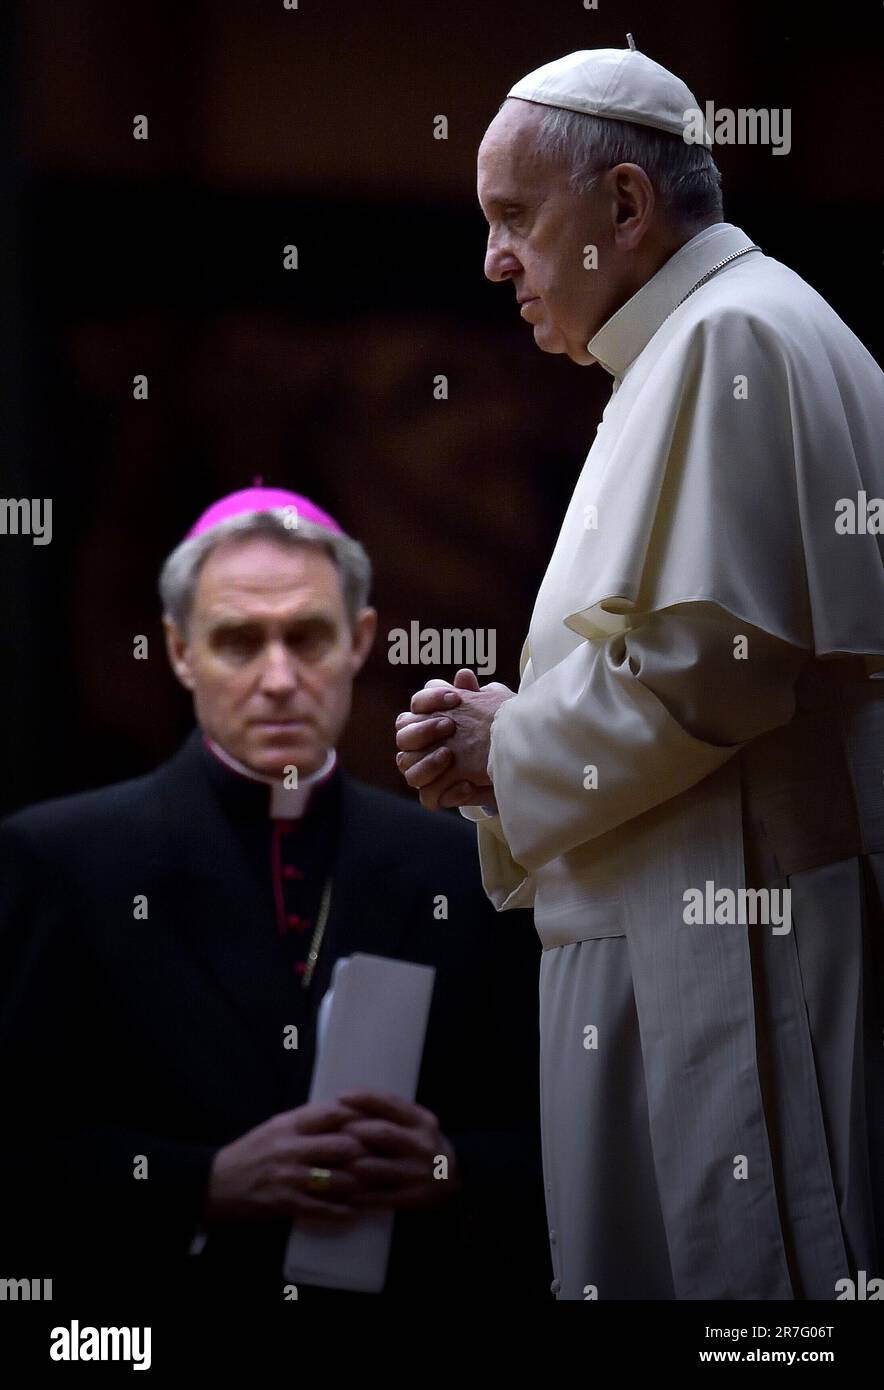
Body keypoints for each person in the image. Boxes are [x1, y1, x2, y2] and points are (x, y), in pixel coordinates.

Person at [395, 43, 884, 1300]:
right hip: (665, 932)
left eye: (514, 218)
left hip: (737, 944)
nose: (494, 260)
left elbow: (712, 670)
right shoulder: (691, 347)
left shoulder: (735, 336)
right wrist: (510, 735)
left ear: (622, 204)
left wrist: (502, 751)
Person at [0, 486, 548, 1308]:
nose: (280, 678)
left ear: (359, 641)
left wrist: (450, 1167)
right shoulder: (58, 861)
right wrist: (204, 1182)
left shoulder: (465, 865)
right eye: (239, 642)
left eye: (308, 637)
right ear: (180, 651)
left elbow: (555, 1141)